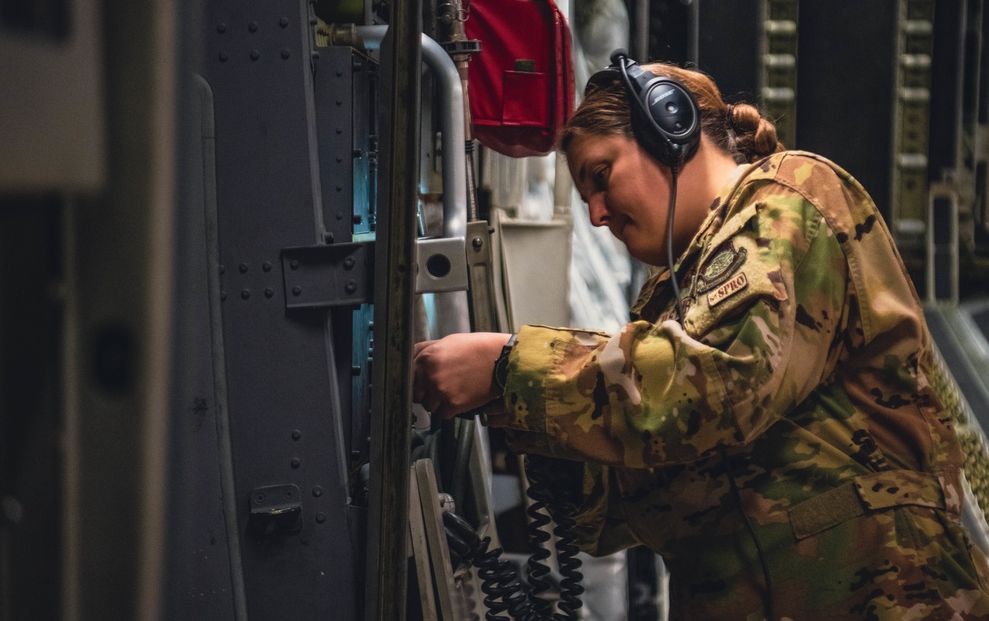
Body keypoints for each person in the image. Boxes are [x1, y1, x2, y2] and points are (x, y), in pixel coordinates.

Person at [412, 53, 989, 620]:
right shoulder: (673, 299)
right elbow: (631, 505)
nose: (595, 214)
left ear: (670, 128)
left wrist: (512, 367)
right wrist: (527, 416)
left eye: (601, 176)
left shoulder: (789, 199)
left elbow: (724, 383)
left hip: (883, 597)